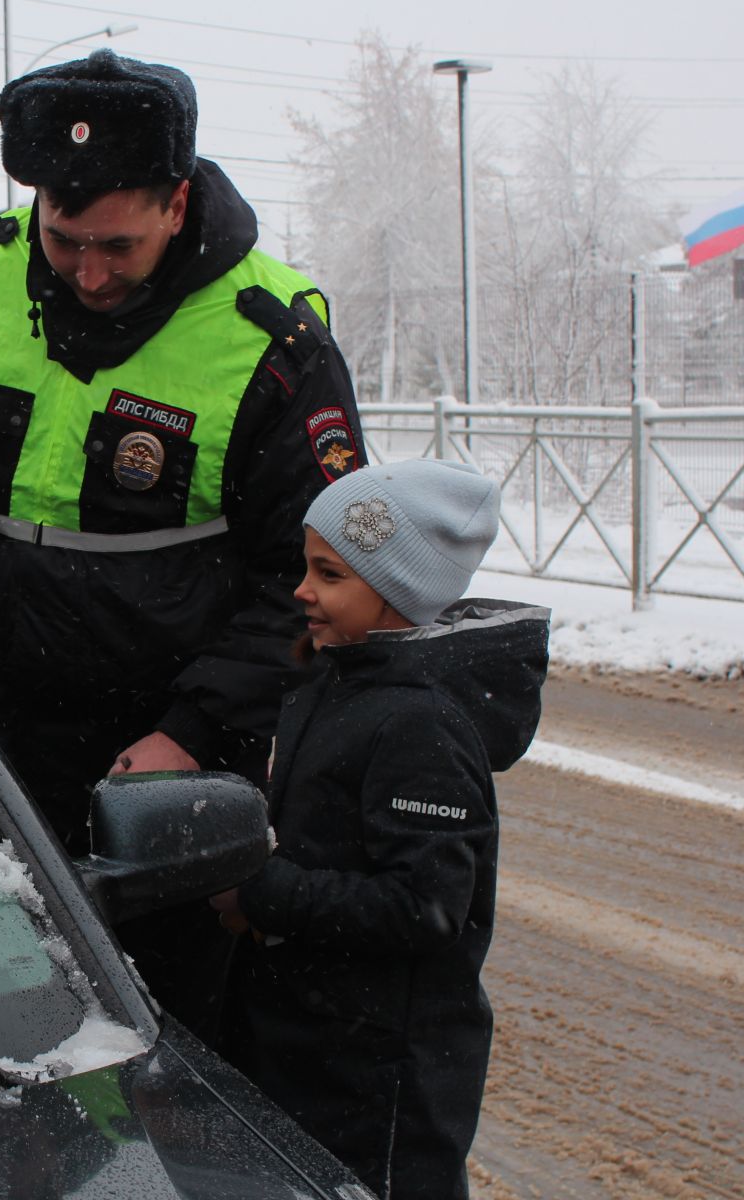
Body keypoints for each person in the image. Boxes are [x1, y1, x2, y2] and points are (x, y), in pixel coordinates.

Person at [0, 48, 365, 848]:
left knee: (158, 973)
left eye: (118, 246)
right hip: (11, 712)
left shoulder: (269, 336)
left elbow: (314, 568)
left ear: (177, 205)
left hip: (176, 751)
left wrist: (194, 732)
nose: (88, 273)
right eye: (63, 239)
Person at [208, 460, 549, 1200]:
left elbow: (422, 907)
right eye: (307, 568)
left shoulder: (418, 723)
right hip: (310, 1046)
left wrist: (262, 893)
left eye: (329, 574)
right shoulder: (339, 682)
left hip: (378, 1076)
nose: (302, 591)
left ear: (400, 592)